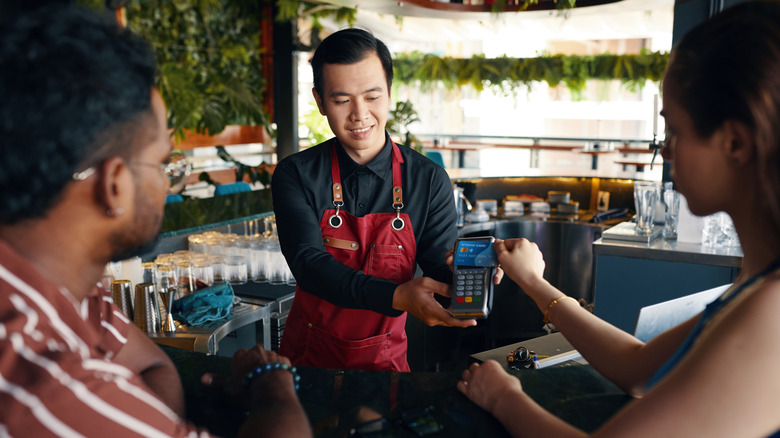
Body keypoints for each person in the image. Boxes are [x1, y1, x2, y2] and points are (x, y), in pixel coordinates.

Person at [456, 1, 780, 436]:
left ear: (735, 143)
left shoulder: (770, 313)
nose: (664, 152)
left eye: (674, 132)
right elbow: (639, 367)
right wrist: (535, 283)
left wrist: (502, 397)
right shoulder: (757, 283)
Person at [0, 6, 310, 437]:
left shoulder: (60, 291)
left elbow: (151, 363)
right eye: (162, 163)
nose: (167, 185)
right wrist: (274, 385)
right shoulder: (51, 389)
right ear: (114, 186)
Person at [272, 28, 489, 372]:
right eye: (342, 100)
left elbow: (436, 264)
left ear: (389, 93)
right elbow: (309, 265)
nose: (359, 114)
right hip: (307, 360)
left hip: (384, 363)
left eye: (372, 97)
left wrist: (474, 273)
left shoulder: (429, 179)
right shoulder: (295, 174)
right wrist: (396, 296)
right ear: (319, 101)